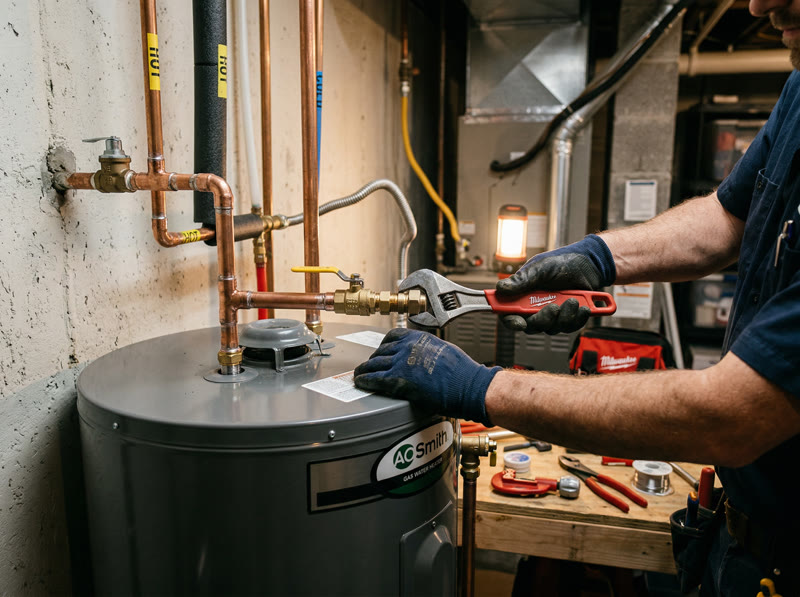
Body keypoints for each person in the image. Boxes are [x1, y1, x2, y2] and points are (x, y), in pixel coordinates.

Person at [354, 1, 800, 594]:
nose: (757, 5)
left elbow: (730, 415)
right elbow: (725, 218)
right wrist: (599, 256)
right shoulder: (798, 91)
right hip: (733, 540)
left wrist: (481, 387)